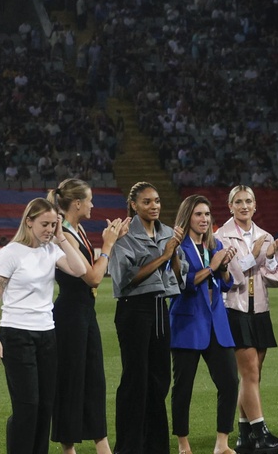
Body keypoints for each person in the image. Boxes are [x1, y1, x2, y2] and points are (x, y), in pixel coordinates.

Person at [0, 198, 88, 454]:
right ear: (28, 221)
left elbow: (80, 270)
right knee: (27, 405)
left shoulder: (51, 250)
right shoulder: (10, 252)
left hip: (46, 334)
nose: (50, 229)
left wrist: (62, 238)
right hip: (16, 334)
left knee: (45, 405)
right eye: (45, 224)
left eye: (54, 224)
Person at [48, 179, 130, 453]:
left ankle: (102, 446)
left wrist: (115, 240)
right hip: (70, 315)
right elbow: (93, 277)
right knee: (71, 381)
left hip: (84, 312)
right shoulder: (65, 235)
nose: (94, 205)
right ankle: (68, 448)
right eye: (90, 200)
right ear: (78, 203)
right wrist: (108, 245)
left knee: (94, 380)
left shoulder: (77, 229)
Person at [214, 186, 278, 454]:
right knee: (249, 373)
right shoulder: (220, 237)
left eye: (248, 201)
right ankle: (261, 435)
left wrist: (271, 256)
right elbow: (233, 277)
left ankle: (244, 435)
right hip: (234, 309)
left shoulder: (265, 235)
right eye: (238, 201)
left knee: (254, 376)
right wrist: (254, 254)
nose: (244, 205)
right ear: (230, 206)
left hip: (259, 310)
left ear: (255, 205)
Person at [108, 182, 186, 454]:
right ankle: (128, 447)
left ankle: (155, 446)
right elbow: (124, 279)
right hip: (134, 310)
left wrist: (174, 253)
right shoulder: (125, 235)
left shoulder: (167, 233)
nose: (154, 206)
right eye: (146, 202)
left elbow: (179, 276)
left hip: (159, 308)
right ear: (133, 205)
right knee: (135, 380)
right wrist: (164, 255)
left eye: (157, 201)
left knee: (159, 380)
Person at [171, 194, 239, 454]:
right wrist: (212, 267)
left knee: (230, 382)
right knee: (183, 387)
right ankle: (183, 444)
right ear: (188, 216)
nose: (204, 219)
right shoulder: (178, 247)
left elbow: (225, 283)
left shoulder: (215, 243)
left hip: (216, 324)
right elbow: (184, 283)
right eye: (199, 214)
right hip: (188, 324)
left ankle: (222, 443)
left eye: (207, 214)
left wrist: (223, 267)